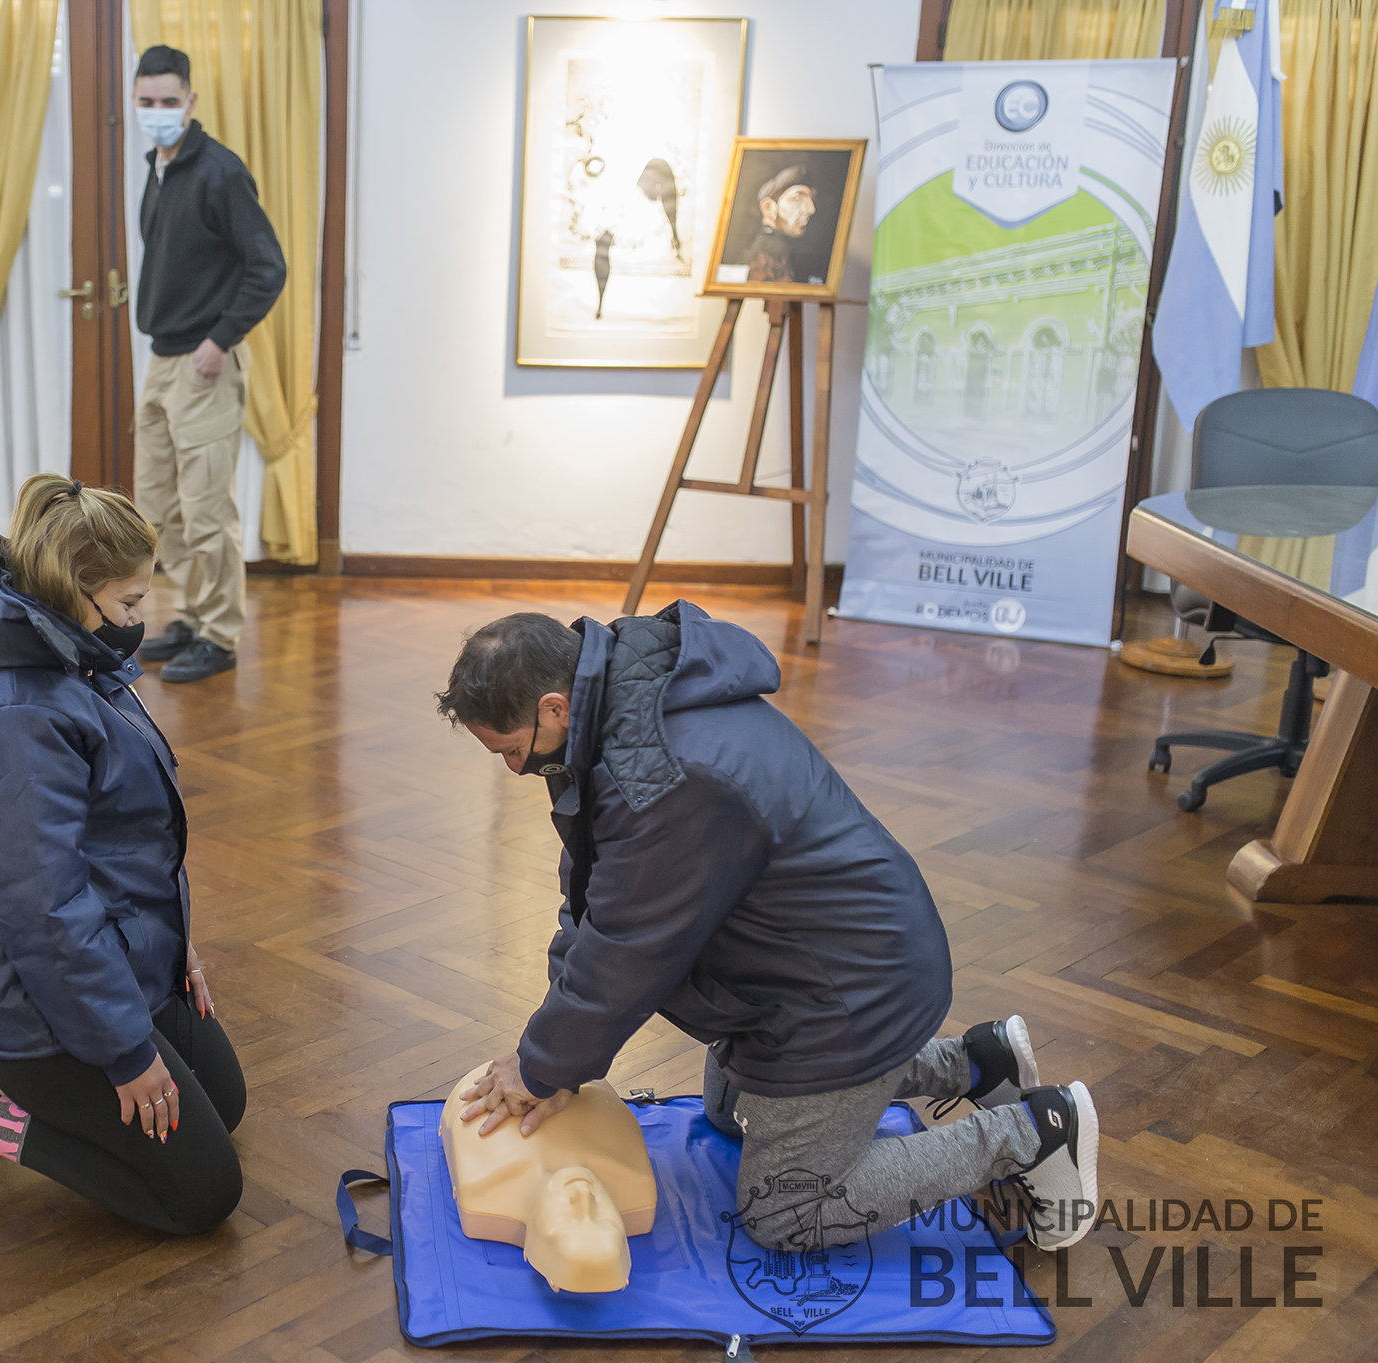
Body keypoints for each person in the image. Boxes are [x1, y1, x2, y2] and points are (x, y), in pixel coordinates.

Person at [435, 604, 1101, 1253]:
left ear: (555, 707)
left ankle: (1036, 1135)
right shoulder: (627, 701)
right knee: (730, 1113)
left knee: (787, 1212)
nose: (514, 769)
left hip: (851, 990)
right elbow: (593, 895)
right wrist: (552, 1057)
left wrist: (542, 1067)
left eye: (513, 751)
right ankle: (977, 1063)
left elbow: (626, 951)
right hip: (813, 960)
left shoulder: (662, 778)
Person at [0, 474, 245, 1235]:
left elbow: (122, 832)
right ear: (72, 588)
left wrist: (172, 941)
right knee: (200, 1195)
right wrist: (124, 1054)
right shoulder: (13, 722)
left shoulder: (62, 645)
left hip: (97, 948)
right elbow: (45, 914)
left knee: (225, 1104)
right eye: (129, 602)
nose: (139, 620)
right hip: (29, 996)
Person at [129, 44, 287, 684]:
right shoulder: (157, 167)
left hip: (204, 365)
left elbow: (267, 267)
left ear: (190, 101)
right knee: (158, 505)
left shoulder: (220, 172)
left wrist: (220, 340)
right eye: (147, 101)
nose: (158, 111)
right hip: (161, 358)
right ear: (135, 101)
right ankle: (194, 616)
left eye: (169, 101)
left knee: (206, 510)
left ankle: (219, 636)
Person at [747, 166, 816, 284]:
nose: (811, 209)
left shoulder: (787, 248)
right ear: (768, 207)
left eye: (811, 199)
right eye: (797, 199)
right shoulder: (768, 251)